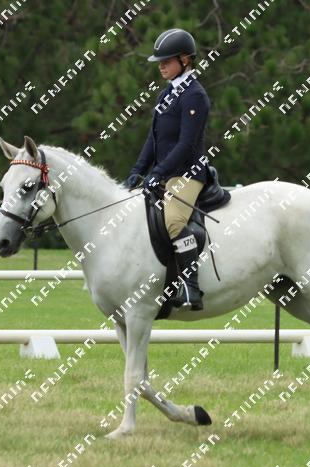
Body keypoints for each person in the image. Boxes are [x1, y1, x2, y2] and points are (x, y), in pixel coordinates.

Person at [123, 28, 210, 311]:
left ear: (185, 60)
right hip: (165, 172)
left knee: (173, 221)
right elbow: (154, 139)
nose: (161, 66)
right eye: (159, 62)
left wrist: (158, 173)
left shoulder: (195, 96)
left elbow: (186, 144)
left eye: (166, 61)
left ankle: (191, 287)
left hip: (187, 173)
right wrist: (138, 171)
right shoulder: (166, 94)